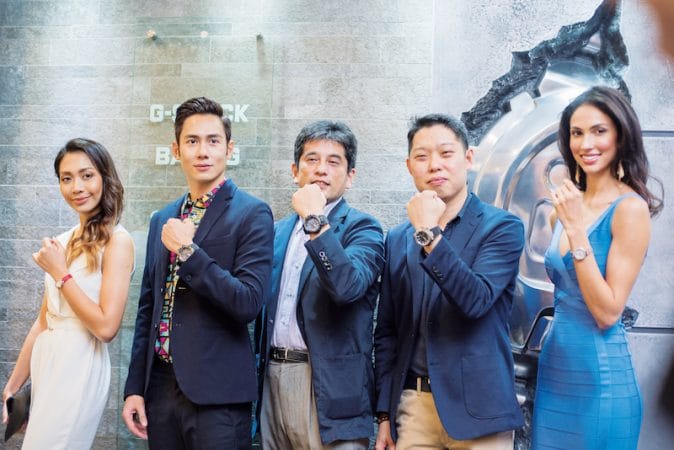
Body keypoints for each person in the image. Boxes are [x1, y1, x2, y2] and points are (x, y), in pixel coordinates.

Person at [122, 97, 273, 449]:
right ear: (176, 150)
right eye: (192, 141)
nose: (203, 151)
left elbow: (248, 302)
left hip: (218, 396)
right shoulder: (163, 218)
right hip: (160, 388)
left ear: (229, 149)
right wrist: (135, 388)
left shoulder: (252, 213)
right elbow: (148, 309)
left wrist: (188, 252)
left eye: (213, 141)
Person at [374, 114, 525, 450]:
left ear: (468, 158)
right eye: (422, 156)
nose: (434, 165)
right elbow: (387, 331)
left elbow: (476, 300)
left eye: (446, 153)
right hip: (414, 407)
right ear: (409, 166)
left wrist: (429, 235)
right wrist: (384, 414)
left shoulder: (502, 227)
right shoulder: (398, 238)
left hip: (480, 408)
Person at [531, 86, 663, 449]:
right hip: (555, 374)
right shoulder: (564, 208)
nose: (586, 143)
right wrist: (570, 219)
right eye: (577, 133)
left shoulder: (629, 209)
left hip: (602, 382)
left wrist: (576, 229)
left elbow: (607, 313)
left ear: (621, 136)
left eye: (599, 131)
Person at [257, 120, 385, 449]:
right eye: (312, 159)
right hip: (272, 379)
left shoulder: (364, 229)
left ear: (350, 176)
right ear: (295, 171)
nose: (321, 170)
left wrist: (315, 221)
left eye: (333, 161)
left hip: (329, 386)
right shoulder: (276, 232)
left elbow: (346, 287)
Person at [2, 138, 135, 449]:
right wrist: (12, 387)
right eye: (67, 178)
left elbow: (106, 328)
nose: (77, 187)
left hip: (80, 362)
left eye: (87, 175)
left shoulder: (118, 241)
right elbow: (43, 322)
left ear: (105, 177)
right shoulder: (61, 242)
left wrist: (61, 273)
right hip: (47, 361)